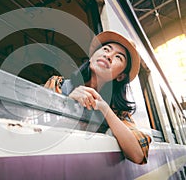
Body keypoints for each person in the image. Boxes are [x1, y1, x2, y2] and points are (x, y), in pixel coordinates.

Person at [44, 31, 151, 164]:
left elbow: (138, 156)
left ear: (120, 76)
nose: (108, 56)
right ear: (91, 57)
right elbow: (36, 120)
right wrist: (68, 102)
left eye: (119, 57)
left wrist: (104, 108)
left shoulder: (118, 113)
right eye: (106, 49)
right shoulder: (58, 84)